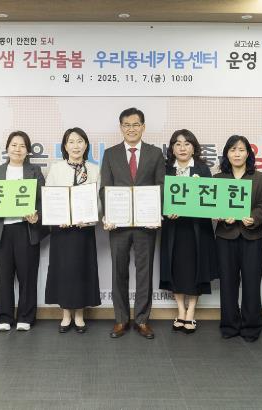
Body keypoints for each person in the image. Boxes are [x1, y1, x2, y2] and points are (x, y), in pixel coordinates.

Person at [99, 107, 165, 339]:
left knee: (144, 272)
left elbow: (161, 186)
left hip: (146, 224)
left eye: (136, 124)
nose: (131, 129)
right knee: (118, 271)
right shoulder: (110, 154)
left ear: (143, 127)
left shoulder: (155, 153)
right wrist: (108, 214)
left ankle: (142, 320)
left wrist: (155, 213)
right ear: (121, 128)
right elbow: (105, 188)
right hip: (118, 225)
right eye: (126, 125)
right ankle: (121, 319)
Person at [0, 131, 45, 332]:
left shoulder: (34, 171)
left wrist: (37, 217)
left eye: (22, 146)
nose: (17, 149)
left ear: (28, 151)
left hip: (26, 229)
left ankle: (26, 317)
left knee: (27, 277)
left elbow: (42, 200)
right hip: (2, 230)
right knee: (4, 277)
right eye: (14, 145)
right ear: (7, 148)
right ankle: (4, 317)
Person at [160, 129, 218, 334]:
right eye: (177, 144)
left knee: (196, 269)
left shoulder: (202, 169)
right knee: (175, 268)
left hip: (197, 229)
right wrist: (166, 211)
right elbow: (159, 198)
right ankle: (180, 310)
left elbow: (210, 200)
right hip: (173, 229)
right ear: (172, 148)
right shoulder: (166, 170)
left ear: (194, 147)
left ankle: (191, 311)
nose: (182, 148)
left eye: (187, 144)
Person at [45, 128, 101, 333]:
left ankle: (79, 315)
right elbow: (49, 197)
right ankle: (66, 314)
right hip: (62, 231)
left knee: (82, 271)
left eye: (80, 141)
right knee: (64, 271)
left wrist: (90, 218)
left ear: (86, 145)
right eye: (71, 141)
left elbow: (99, 200)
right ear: (65, 146)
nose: (76, 145)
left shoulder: (94, 169)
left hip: (84, 231)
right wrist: (57, 217)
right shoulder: (56, 168)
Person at [214, 135, 262, 342]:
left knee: (252, 283)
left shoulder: (260, 178)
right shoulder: (218, 179)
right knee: (227, 283)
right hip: (225, 237)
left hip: (252, 236)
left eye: (241, 150)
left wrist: (253, 217)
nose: (237, 154)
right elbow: (212, 206)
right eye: (232, 150)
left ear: (248, 154)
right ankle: (229, 325)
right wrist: (219, 215)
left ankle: (252, 326)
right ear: (227, 154)